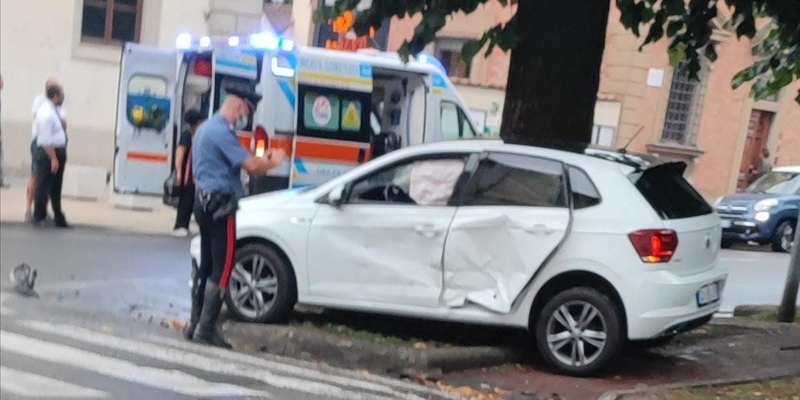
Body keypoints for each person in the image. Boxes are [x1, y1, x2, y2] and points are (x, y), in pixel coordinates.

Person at [185, 86, 285, 348]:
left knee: (206, 265)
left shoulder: (204, 129)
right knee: (224, 266)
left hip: (202, 202)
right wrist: (273, 161)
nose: (245, 116)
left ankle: (194, 323)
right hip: (221, 206)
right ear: (239, 105)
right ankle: (206, 328)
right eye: (246, 110)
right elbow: (251, 165)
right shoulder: (221, 131)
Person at [26, 78, 66, 221]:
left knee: (53, 186)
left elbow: (63, 124)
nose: (63, 97)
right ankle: (38, 214)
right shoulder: (45, 111)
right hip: (48, 151)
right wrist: (53, 158)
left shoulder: (55, 109)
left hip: (55, 150)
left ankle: (54, 215)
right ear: (55, 95)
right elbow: (44, 139)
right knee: (41, 182)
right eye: (61, 93)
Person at [171, 109, 205, 237]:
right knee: (185, 201)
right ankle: (180, 226)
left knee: (191, 200)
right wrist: (179, 174)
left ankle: (184, 225)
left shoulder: (197, 134)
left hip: (194, 175)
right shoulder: (187, 135)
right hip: (187, 175)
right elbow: (180, 154)